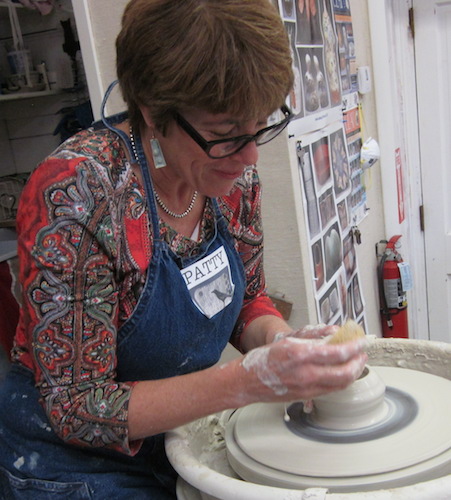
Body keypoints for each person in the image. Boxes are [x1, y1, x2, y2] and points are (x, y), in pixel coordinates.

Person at [0, 0, 367, 498]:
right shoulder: (78, 193)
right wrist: (247, 382)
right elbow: (79, 408)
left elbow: (248, 300)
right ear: (153, 112)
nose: (250, 155)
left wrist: (280, 345)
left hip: (173, 433)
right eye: (225, 135)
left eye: (260, 125)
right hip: (69, 460)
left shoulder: (231, 177)